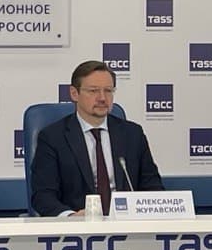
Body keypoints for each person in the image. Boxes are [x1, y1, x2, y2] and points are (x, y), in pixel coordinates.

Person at [30, 59, 163, 216]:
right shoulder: (52, 138)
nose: (102, 98)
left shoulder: (132, 134)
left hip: (126, 223)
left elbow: (153, 187)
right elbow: (43, 196)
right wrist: (70, 216)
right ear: (74, 93)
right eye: (93, 91)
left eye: (108, 91)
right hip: (78, 225)